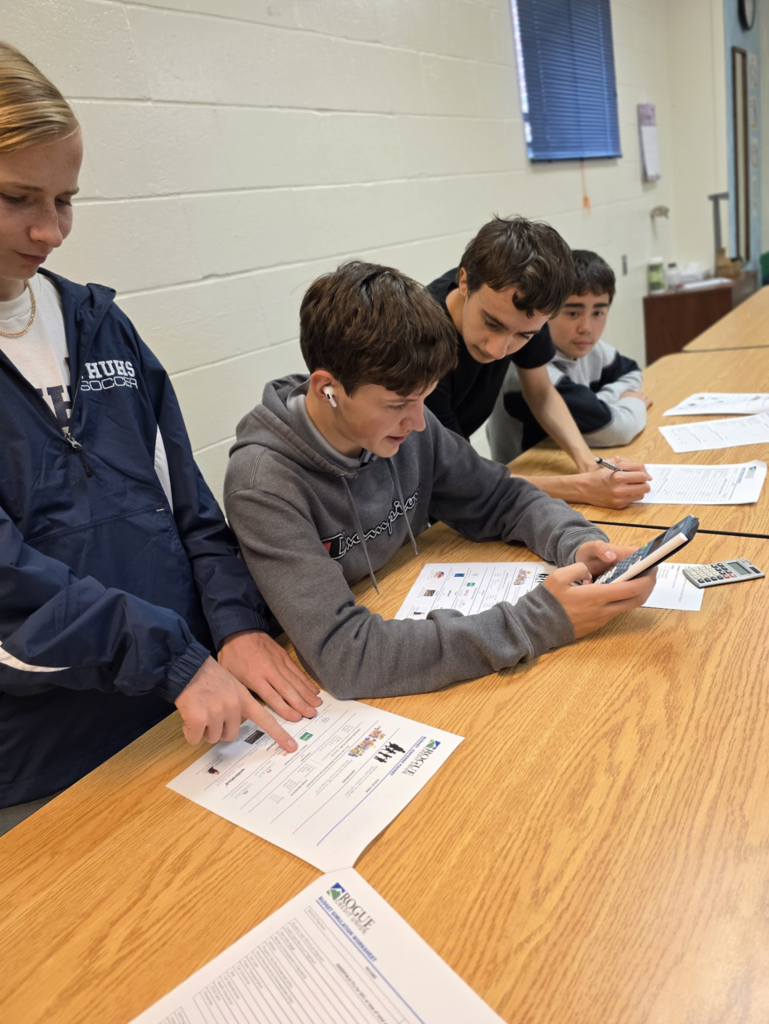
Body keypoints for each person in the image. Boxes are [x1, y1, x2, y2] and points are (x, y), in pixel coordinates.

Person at [0, 43, 320, 831]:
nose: (51, 230)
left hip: (182, 709)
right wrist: (174, 659)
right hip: (45, 754)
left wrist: (235, 625)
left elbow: (189, 507)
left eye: (66, 199)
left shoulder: (100, 323)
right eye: (17, 198)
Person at [224, 261, 656, 700]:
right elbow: (345, 655)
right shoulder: (263, 484)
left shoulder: (409, 423)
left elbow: (503, 496)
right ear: (326, 390)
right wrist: (540, 620)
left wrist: (578, 544)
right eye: (398, 404)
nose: (417, 423)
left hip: (396, 599)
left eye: (425, 398)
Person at [425, 217, 650, 509]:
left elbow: (541, 392)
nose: (498, 350)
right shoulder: (422, 343)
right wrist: (581, 488)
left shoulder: (528, 307)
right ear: (465, 282)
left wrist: (588, 463)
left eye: (522, 335)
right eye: (491, 323)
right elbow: (459, 476)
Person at [488, 249, 651, 464]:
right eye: (573, 313)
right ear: (547, 312)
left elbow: (631, 372)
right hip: (531, 481)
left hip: (565, 462)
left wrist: (600, 403)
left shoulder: (591, 349)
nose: (586, 328)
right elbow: (617, 430)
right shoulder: (531, 371)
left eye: (598, 313)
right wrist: (631, 402)